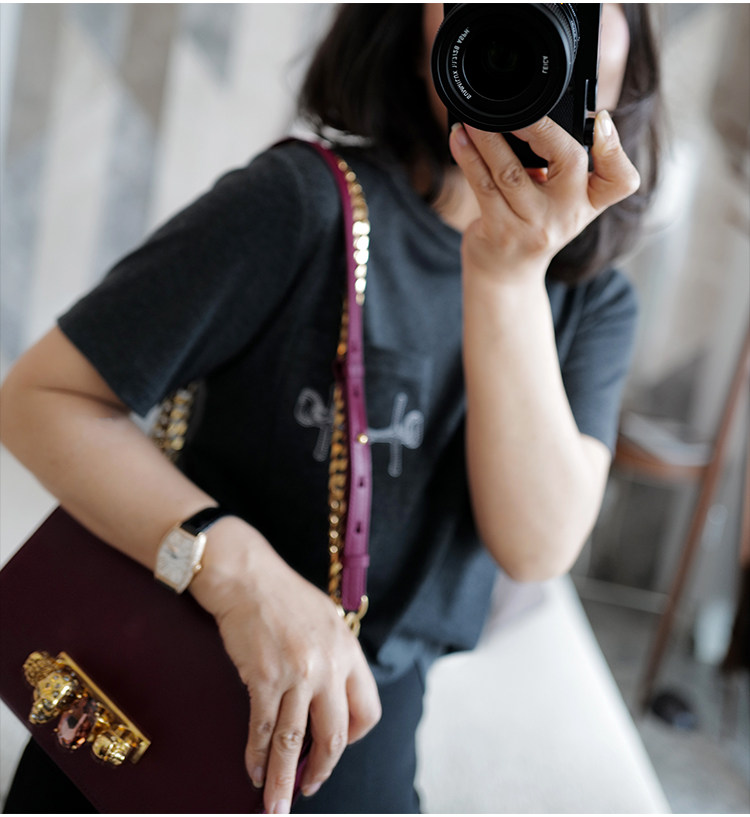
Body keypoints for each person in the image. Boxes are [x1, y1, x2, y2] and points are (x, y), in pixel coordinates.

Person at [0, 4, 662, 814]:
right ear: (416, 30)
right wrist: (240, 574)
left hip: (359, 738)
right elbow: (39, 399)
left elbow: (536, 545)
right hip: (150, 705)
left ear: (626, 64)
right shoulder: (299, 202)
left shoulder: (592, 302)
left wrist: (507, 275)